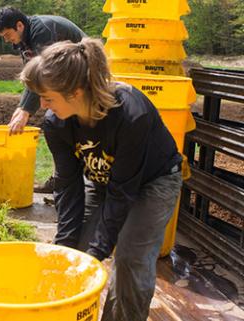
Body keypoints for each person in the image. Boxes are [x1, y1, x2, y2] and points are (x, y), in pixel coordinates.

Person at [20, 38, 183, 321]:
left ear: (75, 92)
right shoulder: (55, 123)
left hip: (153, 182)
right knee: (73, 253)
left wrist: (98, 251)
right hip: (105, 181)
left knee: (129, 258)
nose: (42, 105)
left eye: (47, 97)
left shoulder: (132, 115)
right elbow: (68, 185)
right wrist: (67, 245)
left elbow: (124, 192)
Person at [0, 6, 86, 193]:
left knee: (62, 124)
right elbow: (33, 77)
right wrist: (21, 107)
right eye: (3, 37)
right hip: (68, 79)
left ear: (19, 25)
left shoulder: (43, 31)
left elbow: (44, 74)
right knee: (56, 123)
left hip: (84, 77)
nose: (6, 40)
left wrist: (25, 110)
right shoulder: (24, 40)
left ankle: (69, 182)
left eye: (7, 34)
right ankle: (63, 180)